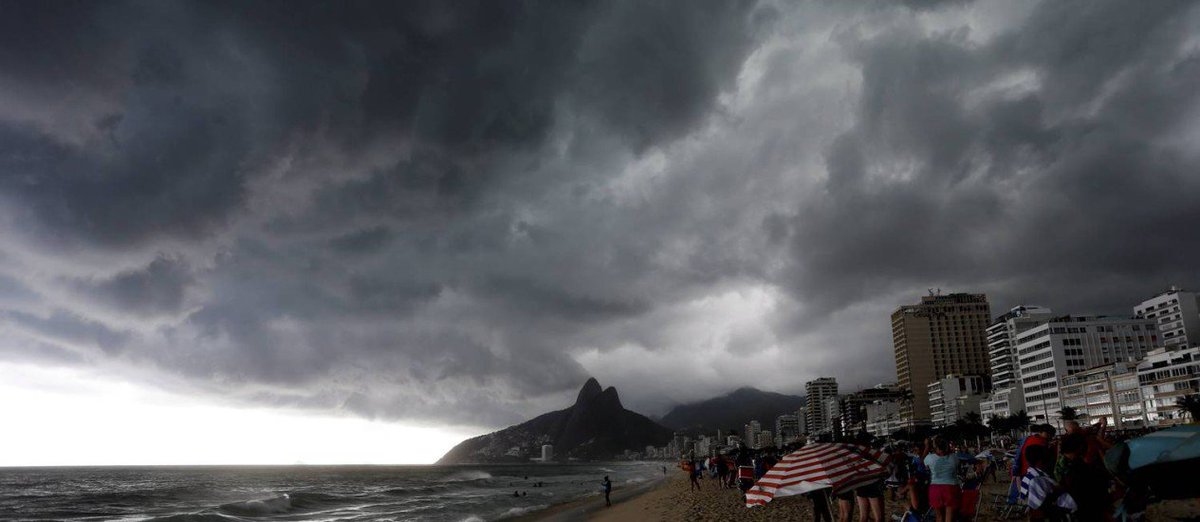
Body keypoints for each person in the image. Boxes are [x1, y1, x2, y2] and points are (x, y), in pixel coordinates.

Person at [1058, 432, 1109, 520]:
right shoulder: (1083, 469)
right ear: (1081, 448)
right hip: (1090, 511)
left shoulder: (1065, 465)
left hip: (1079, 512)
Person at [923, 437, 960, 522]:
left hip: (936, 489)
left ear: (934, 446)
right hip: (951, 488)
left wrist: (926, 446)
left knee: (939, 517)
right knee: (949, 518)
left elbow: (923, 461)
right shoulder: (954, 458)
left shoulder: (930, 458)